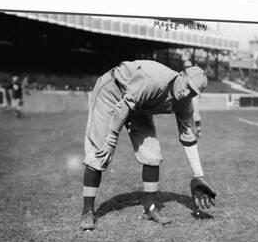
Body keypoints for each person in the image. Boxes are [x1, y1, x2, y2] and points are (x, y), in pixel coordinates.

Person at [80, 60, 217, 231]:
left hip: (140, 105)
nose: (187, 93)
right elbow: (124, 106)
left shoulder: (185, 103)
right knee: (100, 154)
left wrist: (199, 175)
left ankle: (150, 208)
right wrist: (111, 140)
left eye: (193, 93)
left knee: (152, 156)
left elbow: (188, 138)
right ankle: (87, 211)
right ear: (181, 75)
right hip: (112, 92)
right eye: (187, 86)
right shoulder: (153, 79)